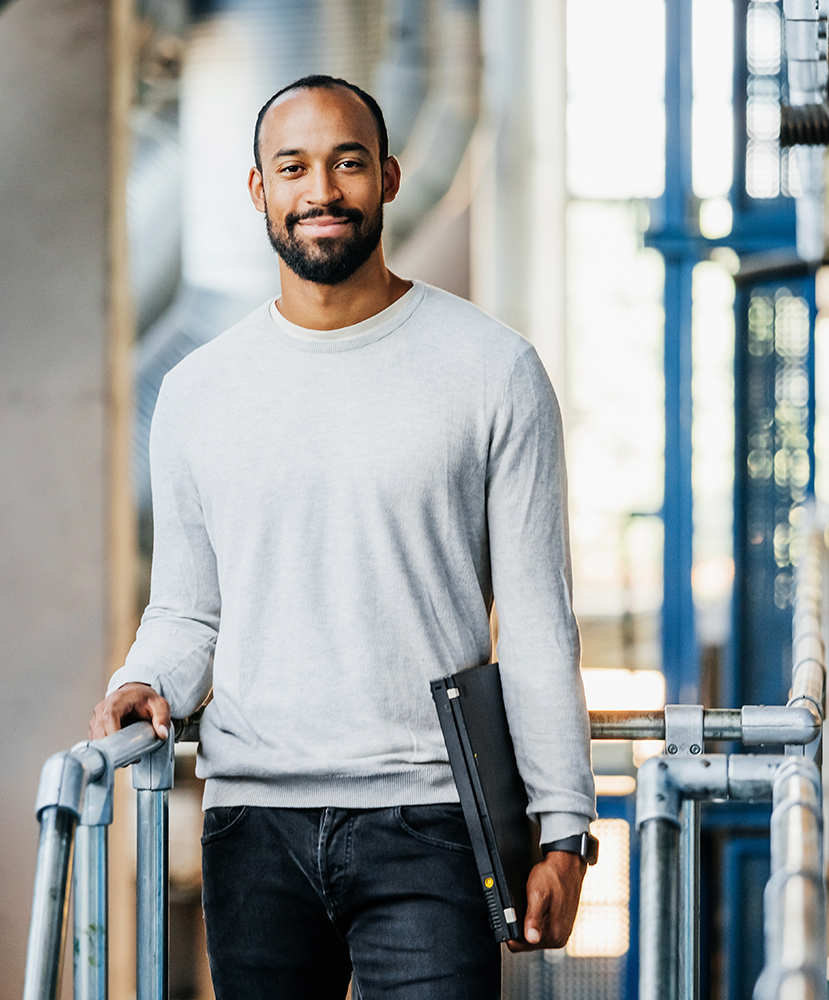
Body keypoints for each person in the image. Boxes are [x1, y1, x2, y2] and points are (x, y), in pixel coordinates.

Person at [89, 74, 596, 999]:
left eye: (347, 163)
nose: (321, 189)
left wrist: (564, 829)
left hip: (432, 819)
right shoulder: (199, 392)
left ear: (389, 178)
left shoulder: (494, 370)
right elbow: (188, 609)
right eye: (293, 167)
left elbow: (535, 621)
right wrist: (143, 678)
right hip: (254, 827)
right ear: (259, 190)